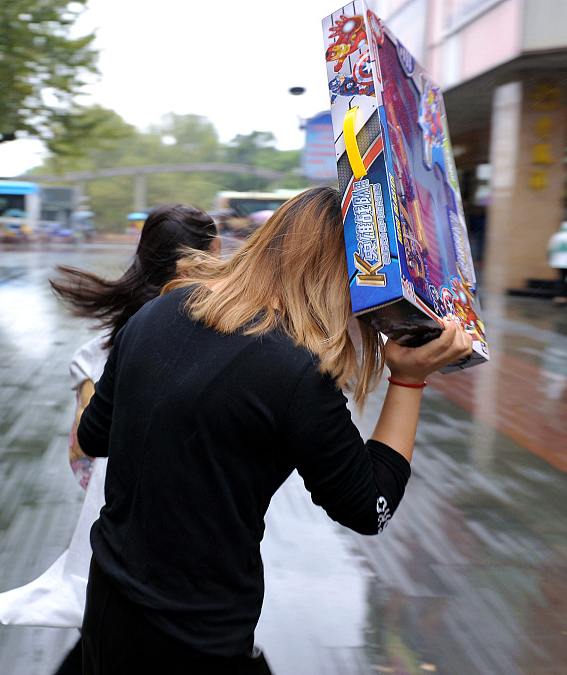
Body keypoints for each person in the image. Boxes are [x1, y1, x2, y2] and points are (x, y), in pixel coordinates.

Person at [74, 186, 473, 674]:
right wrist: (408, 380)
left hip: (106, 606)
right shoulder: (296, 372)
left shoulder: (155, 313)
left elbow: (94, 437)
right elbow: (371, 507)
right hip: (194, 636)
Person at [0, 203, 220, 675]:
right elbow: (87, 439)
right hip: (149, 516)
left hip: (129, 516)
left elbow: (82, 438)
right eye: (217, 253)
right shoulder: (162, 330)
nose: (226, 263)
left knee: (112, 631)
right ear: (192, 262)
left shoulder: (130, 327)